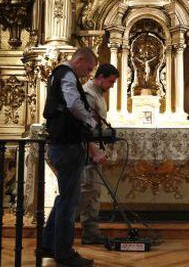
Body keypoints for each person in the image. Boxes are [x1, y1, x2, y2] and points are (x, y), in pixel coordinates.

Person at [42, 47, 105, 267]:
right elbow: (72, 104)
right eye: (88, 69)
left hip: (60, 144)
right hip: (67, 145)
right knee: (70, 201)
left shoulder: (56, 75)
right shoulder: (67, 75)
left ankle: (48, 245)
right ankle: (64, 253)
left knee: (64, 198)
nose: (88, 74)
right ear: (78, 60)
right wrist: (90, 120)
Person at [79, 63, 119, 245]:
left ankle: (91, 232)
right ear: (101, 77)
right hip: (88, 149)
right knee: (87, 191)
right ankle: (63, 232)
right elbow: (84, 127)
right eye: (110, 81)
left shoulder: (97, 93)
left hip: (94, 146)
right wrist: (93, 150)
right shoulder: (88, 93)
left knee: (93, 191)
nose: (112, 86)